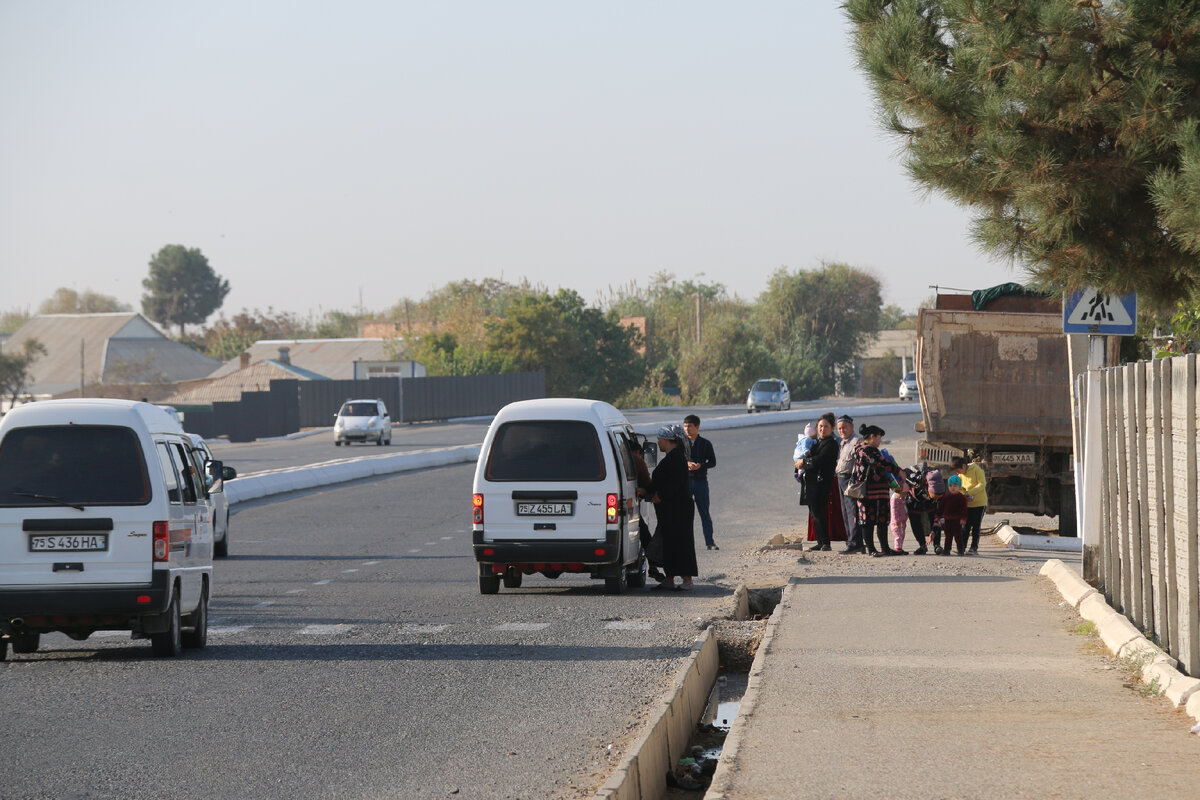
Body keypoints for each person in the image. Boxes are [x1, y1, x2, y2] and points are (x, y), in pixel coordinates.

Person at [648, 423, 698, 590]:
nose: (658, 442)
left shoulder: (676, 459)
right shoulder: (673, 457)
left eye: (660, 439)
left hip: (679, 509)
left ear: (667, 440)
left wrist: (659, 495)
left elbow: (676, 484)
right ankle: (669, 579)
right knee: (669, 543)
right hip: (671, 510)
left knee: (682, 543)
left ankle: (688, 581)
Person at [844, 423, 902, 556]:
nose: (880, 440)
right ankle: (872, 549)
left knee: (880, 520)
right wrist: (899, 471)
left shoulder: (863, 449)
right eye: (879, 437)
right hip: (869, 493)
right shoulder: (866, 449)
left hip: (878, 492)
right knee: (869, 521)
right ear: (872, 436)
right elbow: (882, 462)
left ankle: (884, 549)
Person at [797, 412, 839, 551]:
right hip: (812, 483)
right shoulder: (816, 442)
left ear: (832, 428)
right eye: (820, 426)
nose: (822, 429)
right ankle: (821, 541)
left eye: (826, 426)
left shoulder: (831, 444)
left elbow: (820, 460)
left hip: (822, 483)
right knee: (814, 512)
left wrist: (804, 462)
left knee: (819, 512)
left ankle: (826, 543)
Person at [682, 414, 718, 550]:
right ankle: (684, 543)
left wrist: (701, 465)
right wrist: (686, 464)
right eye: (685, 426)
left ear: (697, 426)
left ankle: (710, 542)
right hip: (685, 483)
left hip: (701, 483)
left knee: (704, 512)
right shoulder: (680, 444)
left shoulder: (705, 443)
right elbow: (674, 460)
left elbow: (713, 462)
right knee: (684, 514)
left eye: (690, 426)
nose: (687, 429)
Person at [952, 454, 989, 555]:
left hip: (979, 503)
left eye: (958, 470)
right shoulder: (960, 476)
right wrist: (964, 495)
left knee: (976, 526)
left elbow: (982, 484)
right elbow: (961, 488)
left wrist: (970, 493)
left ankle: (973, 548)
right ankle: (962, 547)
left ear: (964, 466)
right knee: (965, 526)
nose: (957, 473)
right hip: (967, 504)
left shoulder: (976, 469)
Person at [833, 414, 861, 547]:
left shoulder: (857, 441)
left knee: (852, 512)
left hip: (850, 480)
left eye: (844, 427)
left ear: (852, 427)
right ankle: (850, 540)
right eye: (839, 428)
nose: (842, 430)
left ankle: (855, 542)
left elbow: (859, 463)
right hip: (841, 479)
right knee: (844, 512)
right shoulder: (842, 442)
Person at [938, 474, 969, 555]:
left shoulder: (961, 497)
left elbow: (964, 509)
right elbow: (941, 508)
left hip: (957, 520)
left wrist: (963, 518)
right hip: (947, 519)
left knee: (958, 536)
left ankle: (960, 549)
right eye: (950, 486)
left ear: (959, 487)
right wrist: (938, 516)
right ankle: (947, 550)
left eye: (955, 486)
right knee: (948, 536)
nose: (952, 488)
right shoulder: (945, 497)